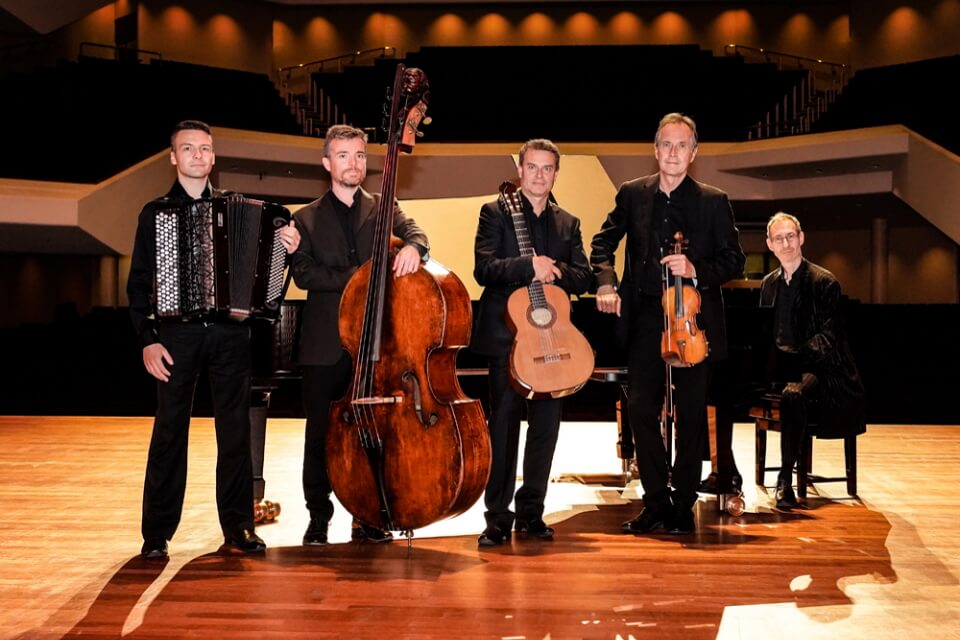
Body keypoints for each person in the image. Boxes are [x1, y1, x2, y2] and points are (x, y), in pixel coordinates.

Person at [128, 119, 301, 559]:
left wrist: (287, 242)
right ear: (173, 156)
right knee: (169, 432)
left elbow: (271, 254)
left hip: (230, 335)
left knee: (235, 434)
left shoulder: (234, 205)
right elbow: (138, 285)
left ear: (213, 155)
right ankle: (157, 534)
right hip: (177, 337)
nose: (198, 156)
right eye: (188, 149)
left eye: (205, 149)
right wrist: (148, 339)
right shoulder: (155, 213)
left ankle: (239, 526)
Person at [591, 113, 745, 535]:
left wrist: (696, 267)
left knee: (692, 415)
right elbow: (603, 242)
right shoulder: (633, 194)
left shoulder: (713, 200)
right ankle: (656, 501)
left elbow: (734, 260)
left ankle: (683, 504)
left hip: (693, 321)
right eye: (666, 145)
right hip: (644, 316)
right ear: (655, 150)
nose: (673, 153)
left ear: (693, 154)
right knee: (641, 407)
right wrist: (606, 283)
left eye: (682, 146)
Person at [291, 124, 429, 546]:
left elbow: (420, 235)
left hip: (375, 344)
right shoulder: (305, 218)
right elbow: (304, 273)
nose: (353, 163)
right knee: (320, 435)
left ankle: (368, 515)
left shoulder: (387, 208)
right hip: (324, 344)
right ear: (327, 163)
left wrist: (413, 249)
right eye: (344, 155)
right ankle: (318, 517)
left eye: (358, 155)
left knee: (373, 430)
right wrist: (363, 275)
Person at [472, 139, 593, 547]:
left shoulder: (568, 223)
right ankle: (497, 518)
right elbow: (484, 268)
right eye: (533, 167)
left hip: (551, 340)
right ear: (520, 169)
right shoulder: (494, 212)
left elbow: (583, 277)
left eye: (548, 169)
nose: (540, 175)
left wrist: (554, 269)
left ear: (556, 174)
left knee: (545, 429)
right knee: (503, 428)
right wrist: (528, 264)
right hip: (507, 342)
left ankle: (531, 513)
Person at [760, 212, 866, 509]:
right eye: (779, 238)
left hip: (820, 369)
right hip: (780, 367)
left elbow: (828, 338)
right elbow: (764, 333)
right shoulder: (768, 284)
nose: (786, 243)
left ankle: (785, 479)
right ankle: (727, 477)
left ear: (801, 238)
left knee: (793, 395)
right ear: (770, 244)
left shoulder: (824, 282)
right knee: (727, 390)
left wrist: (792, 361)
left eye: (790, 236)